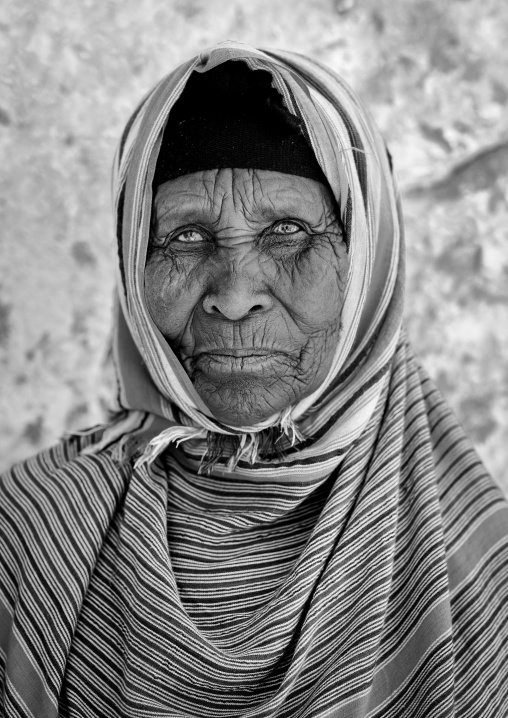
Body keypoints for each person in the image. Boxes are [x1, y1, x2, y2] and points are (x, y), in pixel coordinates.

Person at [1, 40, 507, 718]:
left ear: (367, 263)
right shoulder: (29, 532)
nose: (235, 296)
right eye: (183, 237)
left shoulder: (477, 571)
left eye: (290, 230)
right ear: (131, 259)